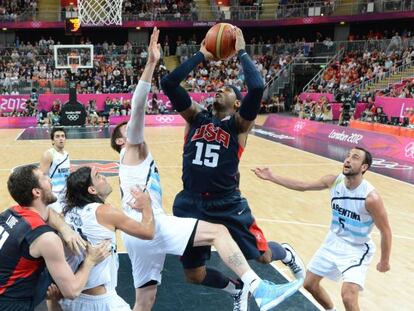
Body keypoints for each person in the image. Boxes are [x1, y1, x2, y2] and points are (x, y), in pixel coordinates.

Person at [111, 27, 303, 311]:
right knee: (194, 275)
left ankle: (285, 253)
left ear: (237, 103)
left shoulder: (239, 126)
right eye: (219, 86)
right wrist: (201, 54)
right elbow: (169, 84)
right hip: (191, 201)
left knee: (261, 257)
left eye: (228, 89)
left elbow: (258, 87)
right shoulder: (196, 118)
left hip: (226, 202)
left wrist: (240, 52)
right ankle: (237, 289)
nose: (220, 88)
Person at [253, 147, 392, 311]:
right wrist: (271, 177)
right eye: (347, 156)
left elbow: (386, 231)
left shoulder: (371, 198)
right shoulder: (334, 181)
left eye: (354, 158)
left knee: (348, 296)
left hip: (356, 249)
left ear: (364, 167)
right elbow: (302, 185)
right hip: (333, 240)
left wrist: (384, 261)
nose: (348, 160)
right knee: (310, 284)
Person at [0, 164, 110, 311]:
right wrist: (90, 261)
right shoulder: (46, 238)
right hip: (10, 304)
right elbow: (71, 291)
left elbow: (48, 213)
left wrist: (65, 229)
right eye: (44, 177)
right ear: (37, 192)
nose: (50, 179)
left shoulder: (11, 213)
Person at [47, 166, 155, 311]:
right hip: (99, 302)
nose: (104, 177)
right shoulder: (105, 211)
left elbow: (48, 213)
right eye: (98, 176)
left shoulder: (66, 213)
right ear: (92, 190)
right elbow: (148, 232)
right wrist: (146, 205)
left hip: (69, 299)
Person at [40, 127, 70, 213]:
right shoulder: (48, 155)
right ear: (52, 141)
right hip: (54, 194)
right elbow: (42, 177)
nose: (61, 138)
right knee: (60, 218)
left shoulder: (67, 154)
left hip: (66, 194)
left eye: (63, 136)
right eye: (57, 136)